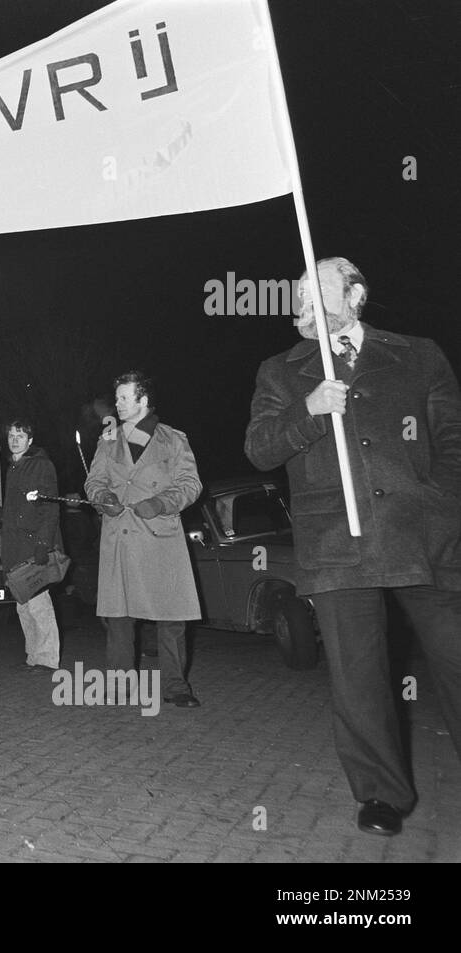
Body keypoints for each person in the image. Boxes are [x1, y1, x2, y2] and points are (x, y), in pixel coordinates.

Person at [245, 256, 461, 837]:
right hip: (337, 541)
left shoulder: (418, 355)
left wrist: (439, 507)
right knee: (358, 675)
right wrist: (309, 410)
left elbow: (452, 442)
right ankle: (381, 795)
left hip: (424, 537)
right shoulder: (281, 371)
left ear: (355, 294)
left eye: (313, 288)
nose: (298, 300)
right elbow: (261, 448)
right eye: (294, 293)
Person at [86, 371, 202, 707]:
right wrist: (102, 497)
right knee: (120, 619)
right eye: (117, 398)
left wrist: (161, 502)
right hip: (121, 537)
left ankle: (176, 686)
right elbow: (93, 482)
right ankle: (121, 685)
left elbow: (191, 484)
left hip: (160, 535)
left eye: (124, 397)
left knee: (172, 618)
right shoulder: (107, 440)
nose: (117, 404)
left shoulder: (173, 439)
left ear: (143, 401)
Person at [0, 420, 62, 672]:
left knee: (39, 603)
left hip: (33, 545)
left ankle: (48, 658)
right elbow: (17, 509)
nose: (14, 439)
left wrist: (44, 543)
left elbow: (50, 507)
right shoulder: (14, 467)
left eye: (20, 435)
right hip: (14, 545)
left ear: (30, 440)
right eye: (11, 435)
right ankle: (33, 655)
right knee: (23, 604)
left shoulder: (41, 465)